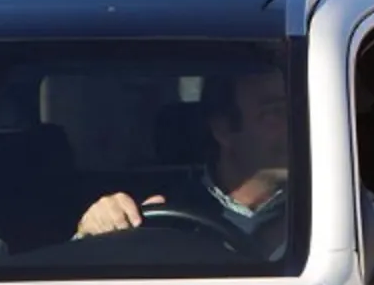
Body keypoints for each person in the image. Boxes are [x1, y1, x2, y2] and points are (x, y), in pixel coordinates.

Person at [74, 69, 290, 258]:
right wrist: (92, 234)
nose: (301, 126)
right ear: (223, 130)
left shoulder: (320, 207)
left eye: (301, 111)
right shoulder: (158, 210)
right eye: (275, 113)